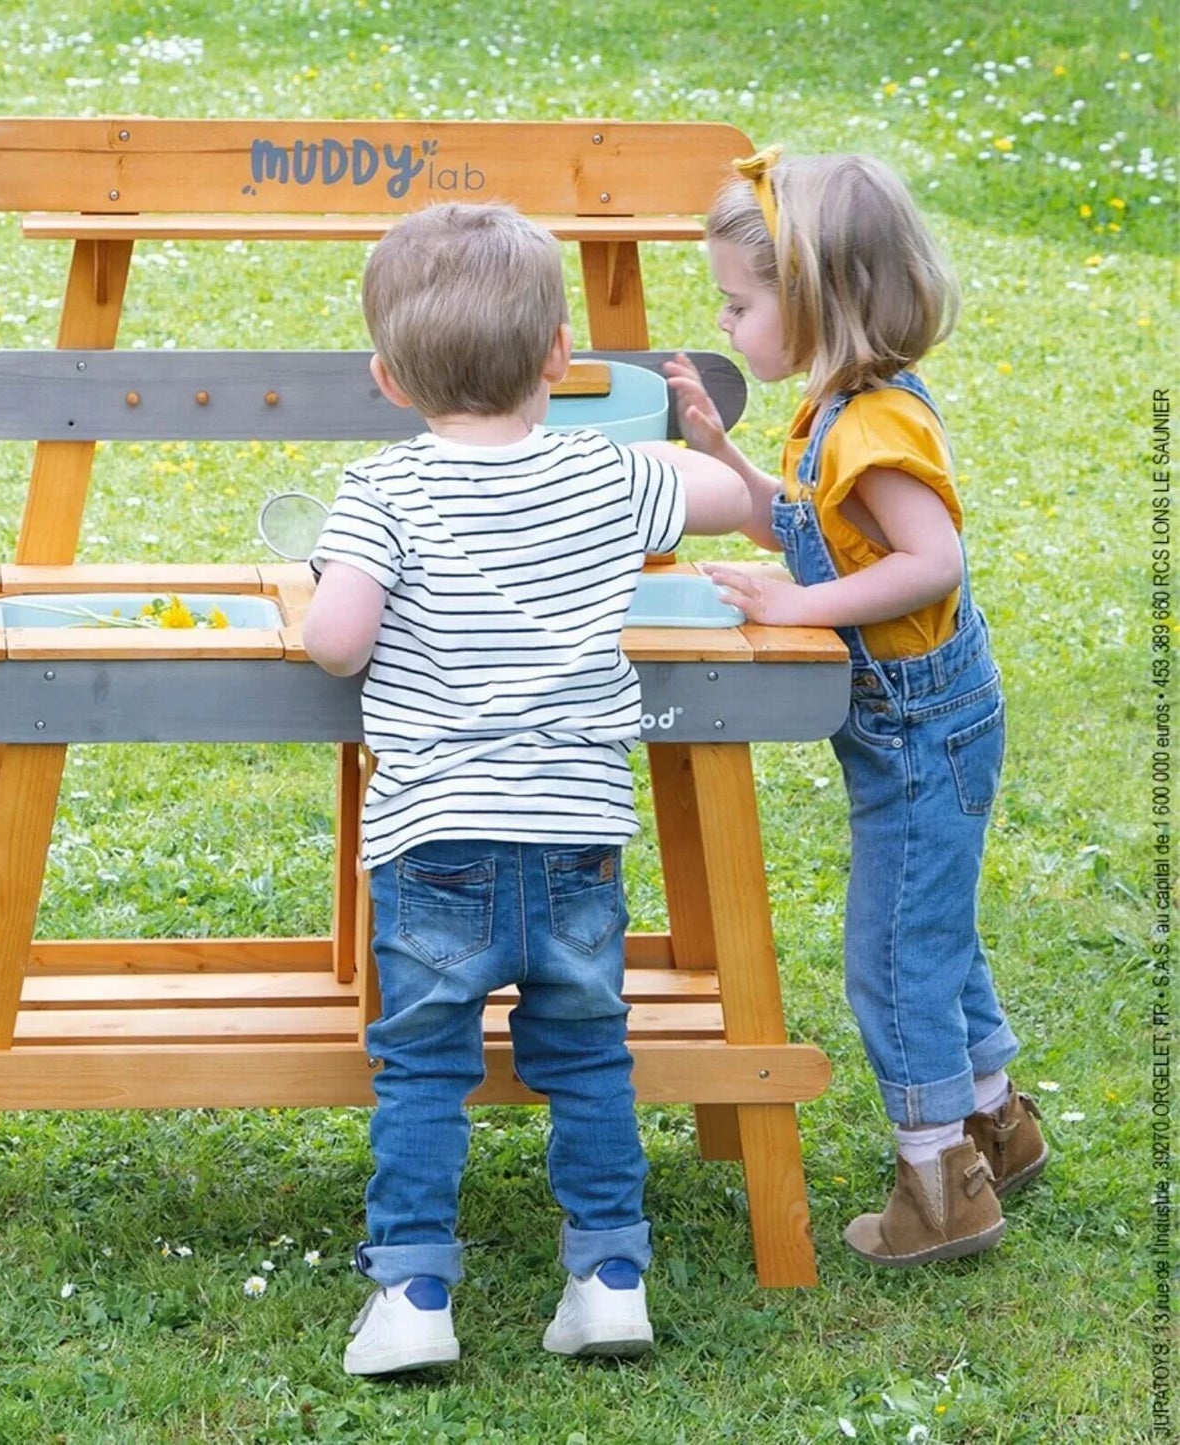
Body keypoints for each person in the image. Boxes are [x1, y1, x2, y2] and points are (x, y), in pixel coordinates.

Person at [302, 201, 750, 1373]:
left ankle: (410, 1296)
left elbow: (337, 641)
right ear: (559, 354)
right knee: (590, 1052)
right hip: (575, 840)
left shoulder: (379, 492)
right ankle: (608, 1279)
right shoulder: (609, 478)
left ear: (387, 378)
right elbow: (738, 501)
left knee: (422, 1065)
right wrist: (709, 446)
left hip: (434, 840)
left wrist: (322, 587)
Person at [665, 148, 1048, 1268]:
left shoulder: (872, 428)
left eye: (738, 303)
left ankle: (939, 1182)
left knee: (892, 956)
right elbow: (804, 524)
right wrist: (724, 457)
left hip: (922, 731)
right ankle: (995, 1126)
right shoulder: (836, 408)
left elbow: (927, 561)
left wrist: (805, 603)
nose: (728, 324)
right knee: (933, 935)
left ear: (816, 299)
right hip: (920, 726)